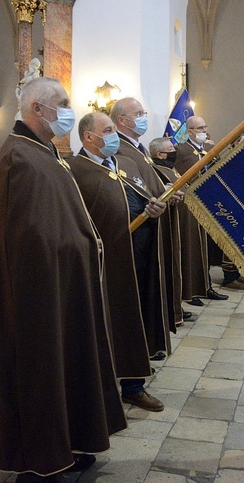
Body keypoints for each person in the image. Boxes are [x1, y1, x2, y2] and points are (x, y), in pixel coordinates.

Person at [0, 77, 126, 480]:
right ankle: (38, 459)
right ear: (37, 110)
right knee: (40, 370)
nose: (68, 109)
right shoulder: (19, 160)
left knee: (68, 365)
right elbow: (29, 240)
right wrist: (75, 250)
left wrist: (83, 248)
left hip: (63, 285)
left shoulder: (44, 152)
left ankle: (68, 442)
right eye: (61, 103)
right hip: (38, 295)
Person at [69, 111, 168, 413]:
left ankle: (134, 385)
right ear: (89, 137)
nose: (114, 135)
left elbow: (145, 195)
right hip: (103, 263)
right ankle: (102, 386)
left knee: (132, 318)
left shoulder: (123, 163)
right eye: (109, 130)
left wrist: (154, 209)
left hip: (137, 254)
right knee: (107, 321)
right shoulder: (75, 170)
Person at [112, 97, 185, 330]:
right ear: (122, 120)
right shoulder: (120, 149)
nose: (144, 118)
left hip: (154, 219)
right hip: (141, 226)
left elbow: (147, 181)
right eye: (139, 113)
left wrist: (164, 191)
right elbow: (132, 186)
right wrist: (158, 194)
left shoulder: (137, 147)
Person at [176, 115, 244, 295]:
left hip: (212, 204)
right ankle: (200, 284)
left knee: (209, 245)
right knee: (198, 246)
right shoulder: (181, 150)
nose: (204, 131)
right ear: (189, 131)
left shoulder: (210, 150)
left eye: (205, 127)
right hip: (192, 204)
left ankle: (209, 283)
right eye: (200, 128)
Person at [150, 136, 201, 324]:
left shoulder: (171, 168)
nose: (175, 150)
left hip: (182, 221)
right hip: (170, 223)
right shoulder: (157, 170)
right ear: (160, 154)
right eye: (171, 148)